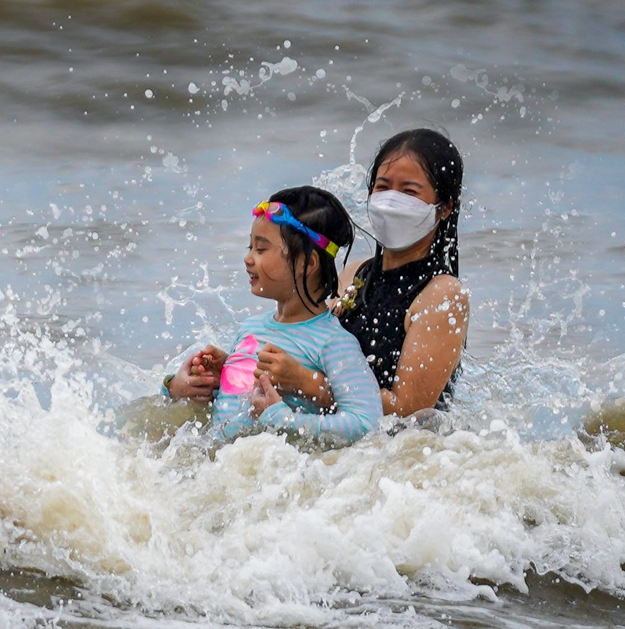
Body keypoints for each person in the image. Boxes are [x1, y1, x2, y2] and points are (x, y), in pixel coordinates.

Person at [168, 186, 382, 446]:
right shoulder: (250, 328)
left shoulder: (333, 342)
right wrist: (188, 386)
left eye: (261, 249)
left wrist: (283, 420)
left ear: (307, 263)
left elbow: (367, 423)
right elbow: (231, 412)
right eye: (250, 246)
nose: (248, 258)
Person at [336, 129, 467, 414]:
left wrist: (312, 386)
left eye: (409, 191)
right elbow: (308, 351)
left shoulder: (443, 295)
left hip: (406, 452)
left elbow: (408, 409)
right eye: (383, 187)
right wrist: (237, 372)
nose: (392, 203)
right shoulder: (353, 274)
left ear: (444, 208)